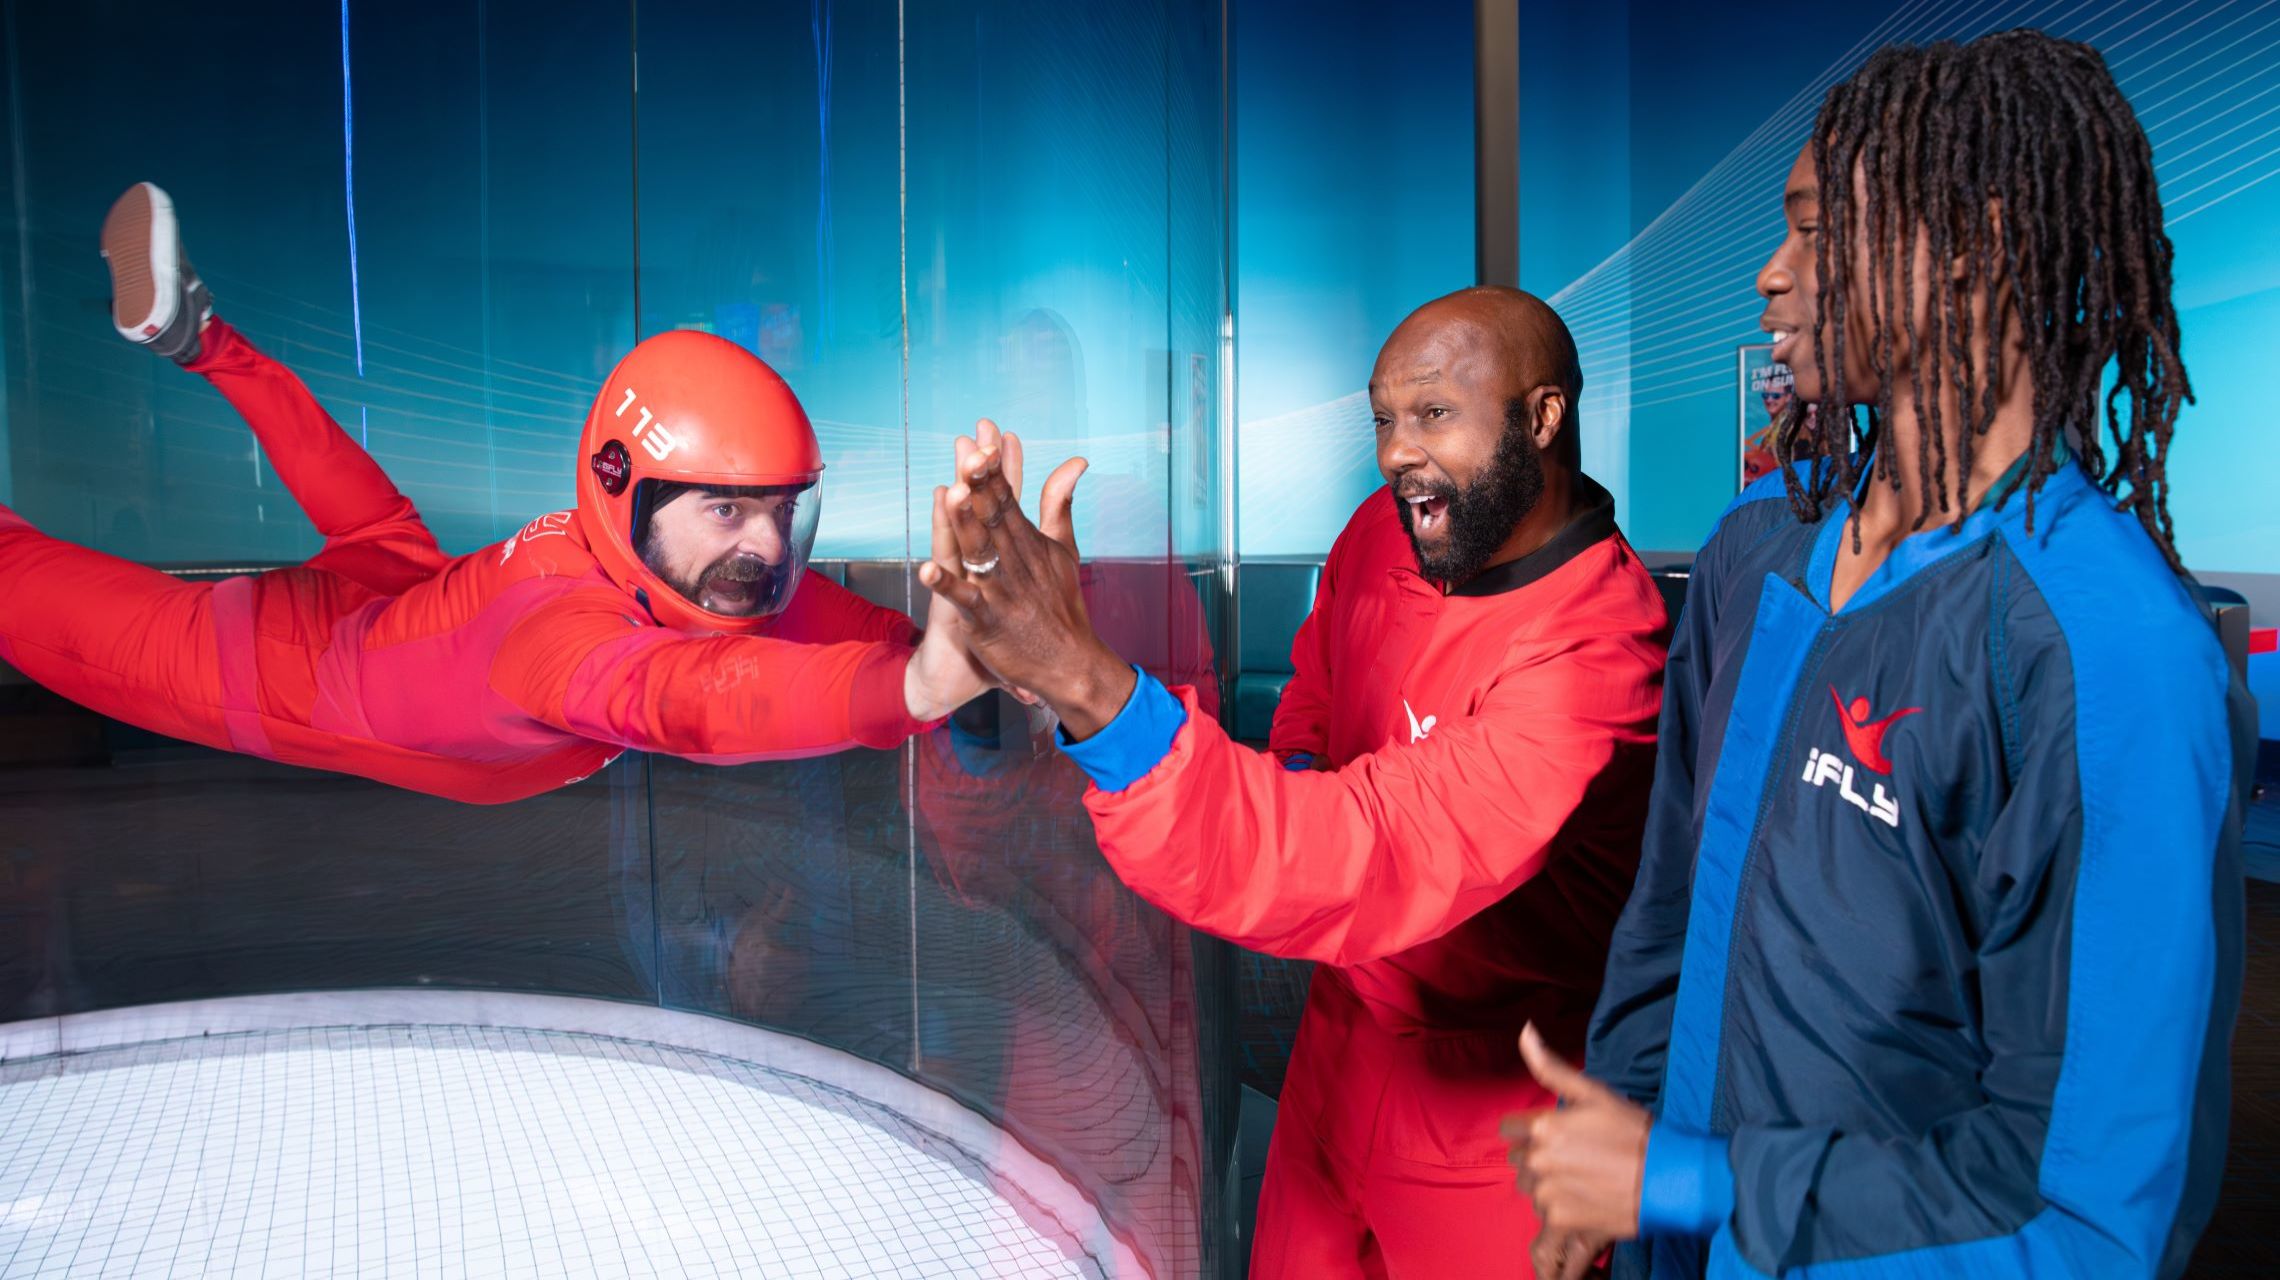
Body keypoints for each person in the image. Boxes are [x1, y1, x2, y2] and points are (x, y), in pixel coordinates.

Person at [1506, 31, 2251, 1280]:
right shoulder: (1758, 547)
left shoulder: (2110, 649)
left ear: (1971, 244)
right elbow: (1671, 907)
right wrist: (1619, 1153)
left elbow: (2088, 1219)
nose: (1770, 273)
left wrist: (1694, 1182)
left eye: (1813, 230)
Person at [922, 287, 1670, 1277]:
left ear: (1541, 417)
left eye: (1434, 413)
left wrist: (1087, 683)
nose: (1398, 453)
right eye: (1384, 420)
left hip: (1498, 1108)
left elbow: (1366, 852)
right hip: (1338, 1049)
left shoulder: (1596, 655)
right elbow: (1320, 684)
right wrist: (1299, 774)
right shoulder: (1391, 531)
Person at [0, 183, 992, 804]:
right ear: (625, 491)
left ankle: (199, 336)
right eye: (729, 510)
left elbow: (809, 619)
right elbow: (697, 703)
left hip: (410, 589)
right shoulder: (562, 643)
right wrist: (911, 690)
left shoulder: (667, 560)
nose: (770, 549)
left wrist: (972, 650)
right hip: (275, 666)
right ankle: (199, 339)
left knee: (374, 524)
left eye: (783, 510)